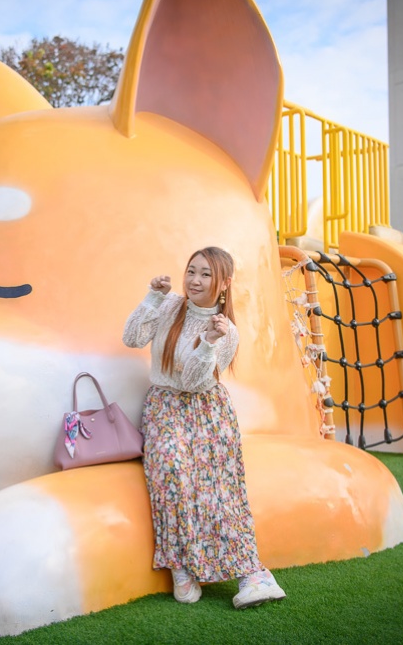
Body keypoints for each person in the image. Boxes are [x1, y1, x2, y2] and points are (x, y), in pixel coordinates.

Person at [122, 246, 286, 610]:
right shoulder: (170, 306)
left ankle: (251, 574)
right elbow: (132, 338)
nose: (195, 280)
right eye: (191, 271)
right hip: (165, 407)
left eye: (206, 274)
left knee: (220, 493)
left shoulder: (228, 332)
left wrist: (209, 343)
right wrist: (152, 296)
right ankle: (182, 567)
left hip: (208, 411)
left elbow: (195, 383)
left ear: (224, 283)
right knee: (171, 476)